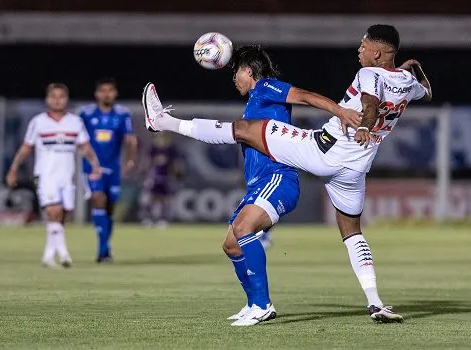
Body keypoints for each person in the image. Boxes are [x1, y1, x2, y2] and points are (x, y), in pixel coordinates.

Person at [142, 25, 432, 324]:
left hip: (324, 150)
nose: (359, 50)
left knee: (245, 130)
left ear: (376, 53)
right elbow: (425, 91)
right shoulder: (407, 82)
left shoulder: (369, 73)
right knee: (352, 233)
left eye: (363, 45)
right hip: (355, 168)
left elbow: (369, 105)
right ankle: (375, 302)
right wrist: (413, 72)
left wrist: (360, 125)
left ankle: (162, 121)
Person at [143, 45, 361, 326]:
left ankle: (262, 304)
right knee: (232, 245)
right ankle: (252, 303)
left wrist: (339, 110)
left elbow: (305, 96)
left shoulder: (267, 86)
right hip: (259, 183)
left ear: (249, 70)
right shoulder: (256, 100)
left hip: (278, 177)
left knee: (244, 228)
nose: (234, 79)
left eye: (236, 72)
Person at [6, 83, 101, 268]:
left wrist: (95, 165)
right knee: (53, 211)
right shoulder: (38, 122)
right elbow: (26, 147)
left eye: (61, 96)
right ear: (47, 99)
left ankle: (48, 256)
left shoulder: (75, 122)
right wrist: (13, 168)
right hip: (45, 174)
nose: (57, 100)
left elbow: (85, 146)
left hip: (67, 176)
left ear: (66, 99)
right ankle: (64, 254)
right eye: (54, 96)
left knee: (63, 215)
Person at [80, 78, 138, 263]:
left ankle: (105, 245)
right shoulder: (85, 113)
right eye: (103, 91)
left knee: (110, 208)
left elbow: (130, 140)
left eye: (110, 90)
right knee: (98, 199)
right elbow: (79, 138)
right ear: (97, 94)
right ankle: (103, 250)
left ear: (115, 93)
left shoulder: (122, 114)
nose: (106, 94)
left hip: (113, 168)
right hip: (92, 168)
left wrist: (129, 160)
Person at [139, 133, 184, 227]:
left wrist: (177, 173)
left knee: (165, 199)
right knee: (150, 198)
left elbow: (175, 164)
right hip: (153, 177)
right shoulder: (153, 148)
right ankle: (147, 219)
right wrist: (144, 173)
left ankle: (163, 219)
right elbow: (147, 161)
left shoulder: (171, 149)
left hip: (166, 177)